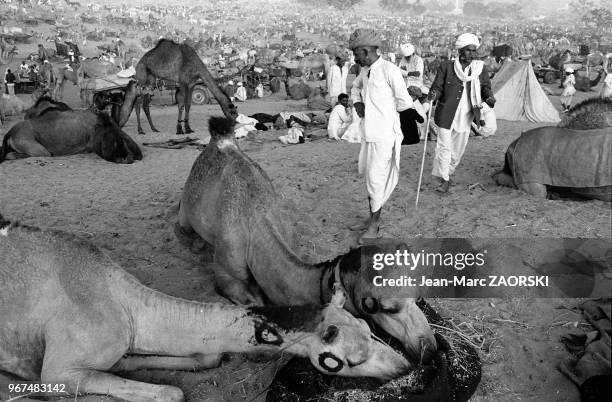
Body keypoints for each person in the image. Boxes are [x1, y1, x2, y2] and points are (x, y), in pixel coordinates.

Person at [348, 28, 414, 242]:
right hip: (369, 134)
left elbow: (405, 102)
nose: (355, 58)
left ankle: (374, 226)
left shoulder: (389, 70)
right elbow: (355, 88)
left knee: (376, 181)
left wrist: (384, 111)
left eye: (356, 54)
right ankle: (371, 219)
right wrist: (359, 103)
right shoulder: (365, 71)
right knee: (369, 178)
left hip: (385, 135)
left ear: (366, 51)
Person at [427, 33, 495, 193]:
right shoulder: (447, 67)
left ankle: (447, 173)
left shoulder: (479, 68)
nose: (472, 54)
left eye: (474, 51)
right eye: (468, 50)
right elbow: (437, 87)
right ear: (460, 51)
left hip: (466, 116)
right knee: (444, 147)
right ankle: (444, 180)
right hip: (446, 114)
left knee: (457, 151)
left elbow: (486, 88)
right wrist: (433, 95)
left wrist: (490, 97)